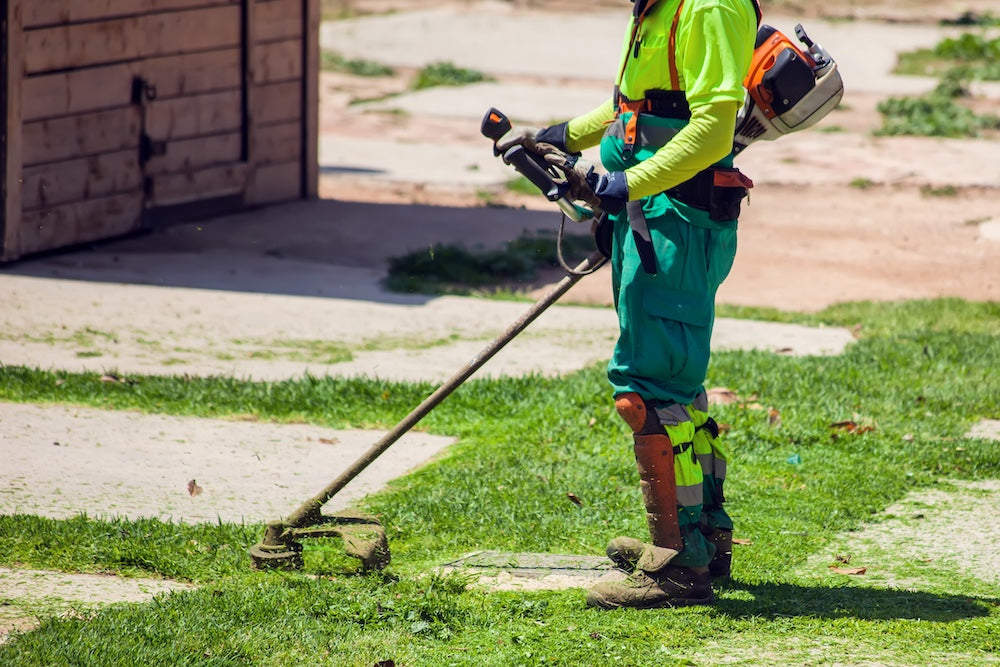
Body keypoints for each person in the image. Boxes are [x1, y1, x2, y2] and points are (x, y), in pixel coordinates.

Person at [496, 0, 760, 609]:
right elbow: (635, 113)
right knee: (676, 390)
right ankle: (701, 540)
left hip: (674, 222)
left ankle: (674, 567)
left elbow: (714, 127)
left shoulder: (709, 6)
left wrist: (627, 184)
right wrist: (557, 137)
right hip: (653, 218)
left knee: (645, 394)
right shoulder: (658, 8)